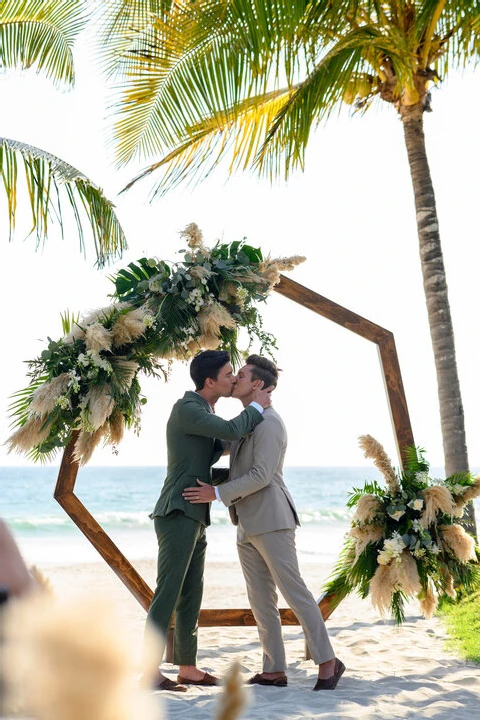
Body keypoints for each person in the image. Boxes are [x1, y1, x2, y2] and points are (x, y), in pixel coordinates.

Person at [183, 355, 345, 691]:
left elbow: (261, 475)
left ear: (257, 385)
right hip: (246, 521)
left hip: (272, 518)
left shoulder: (270, 423)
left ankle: (328, 661)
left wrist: (216, 492)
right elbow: (223, 444)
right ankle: (273, 670)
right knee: (261, 600)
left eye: (240, 375)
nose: (235, 379)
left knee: (294, 593)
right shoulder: (249, 419)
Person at [143, 350, 272, 692]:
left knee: (191, 595)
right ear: (210, 380)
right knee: (167, 594)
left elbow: (219, 449)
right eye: (229, 373)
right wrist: (258, 404)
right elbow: (233, 429)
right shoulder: (188, 408)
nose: (233, 378)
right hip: (177, 511)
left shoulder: (204, 411)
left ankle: (187, 667)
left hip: (196, 513)